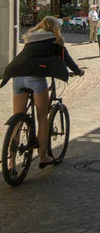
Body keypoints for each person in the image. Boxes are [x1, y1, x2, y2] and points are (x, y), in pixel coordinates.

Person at [0, 16, 84, 169]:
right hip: (35, 78)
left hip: (16, 75)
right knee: (42, 118)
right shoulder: (55, 41)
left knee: (17, 120)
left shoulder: (30, 38)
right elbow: (68, 60)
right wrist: (79, 72)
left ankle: (11, 162)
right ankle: (43, 157)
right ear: (55, 28)